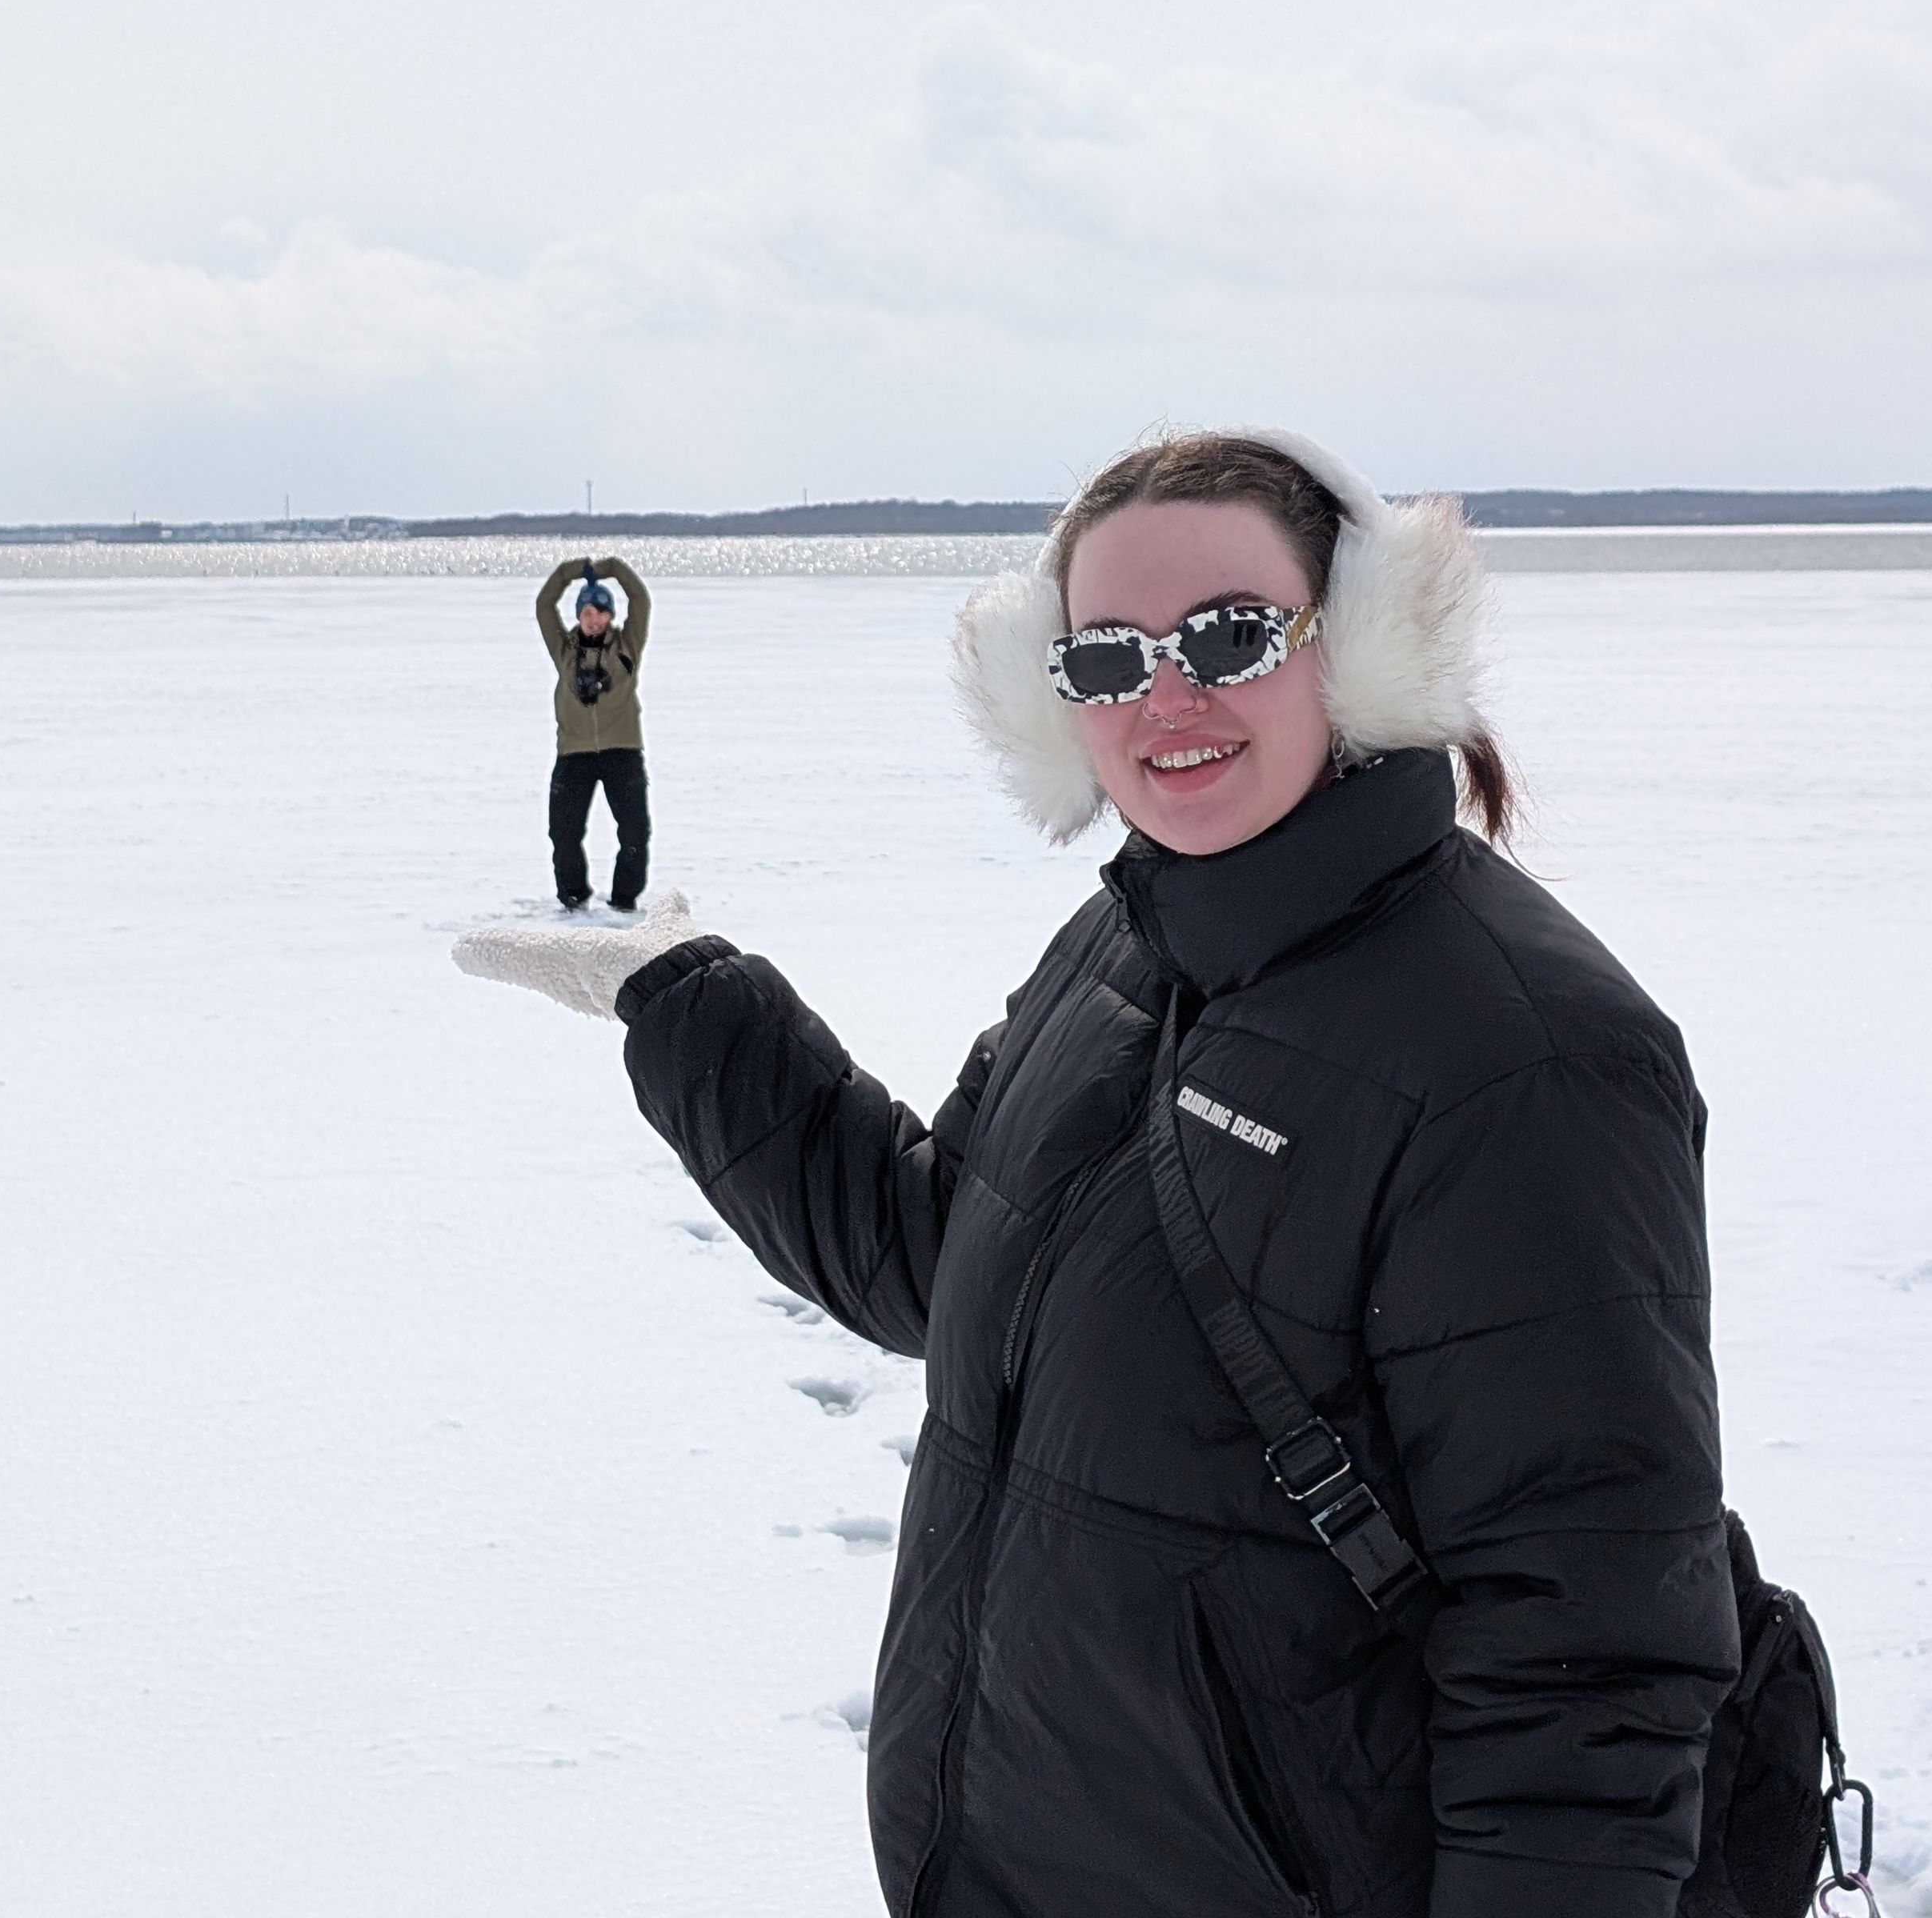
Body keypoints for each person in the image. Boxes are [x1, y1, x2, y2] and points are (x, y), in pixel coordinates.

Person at [456, 433, 1734, 1917]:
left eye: (1230, 635)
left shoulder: (1526, 1057)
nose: (1168, 696)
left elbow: (1587, 1664)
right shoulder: (1129, 951)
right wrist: (687, 1006)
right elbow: (936, 1250)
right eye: (1109, 658)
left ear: (1366, 645)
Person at [535, 553, 651, 911]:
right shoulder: (564, 651)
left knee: (634, 834)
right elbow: (544, 604)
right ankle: (574, 899)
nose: (594, 620)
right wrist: (572, 571)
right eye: (587, 612)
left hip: (623, 750)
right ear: (579, 616)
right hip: (574, 753)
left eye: (601, 612)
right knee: (564, 835)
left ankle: (624, 903)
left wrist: (611, 568)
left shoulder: (628, 645)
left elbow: (641, 598)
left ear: (610, 616)